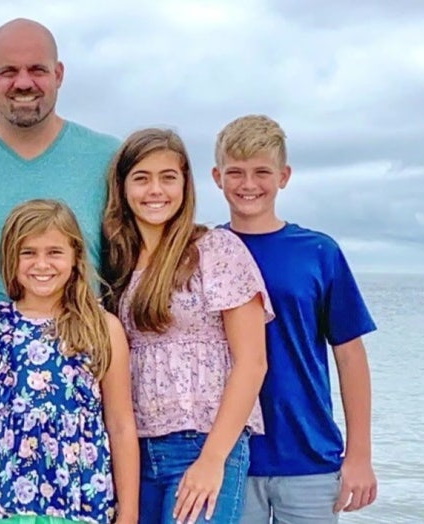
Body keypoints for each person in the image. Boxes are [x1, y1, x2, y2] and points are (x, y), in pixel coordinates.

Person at [211, 115, 378, 523]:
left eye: (261, 172)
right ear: (217, 177)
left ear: (284, 176)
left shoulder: (319, 252)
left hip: (310, 455)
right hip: (232, 457)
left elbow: (350, 357)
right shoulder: (204, 251)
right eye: (236, 172)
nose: (248, 184)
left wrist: (359, 455)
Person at [102, 128, 273, 524]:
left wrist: (212, 461)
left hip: (202, 443)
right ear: (123, 187)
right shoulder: (120, 264)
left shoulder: (215, 250)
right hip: (135, 453)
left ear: (185, 184)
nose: (155, 190)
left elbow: (252, 363)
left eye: (168, 177)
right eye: (141, 178)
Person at [0, 18, 120, 312]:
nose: (24, 83)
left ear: (59, 74)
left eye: (37, 69)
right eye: (9, 71)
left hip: (84, 349)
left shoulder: (112, 160)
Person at [0, 199, 139, 524]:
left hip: (83, 502)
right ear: (11, 259)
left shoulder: (103, 328)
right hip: (7, 502)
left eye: (54, 252)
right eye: (28, 252)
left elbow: (121, 425)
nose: (41, 264)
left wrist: (128, 514)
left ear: (75, 257)